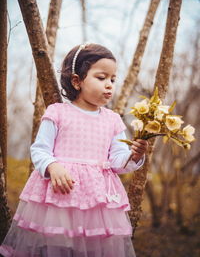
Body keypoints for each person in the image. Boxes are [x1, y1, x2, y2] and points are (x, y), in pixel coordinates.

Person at [0, 43, 148, 257]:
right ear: (77, 81)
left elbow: (117, 161)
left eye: (113, 79)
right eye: (101, 77)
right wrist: (52, 166)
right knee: (57, 246)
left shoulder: (113, 120)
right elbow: (40, 149)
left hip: (98, 203)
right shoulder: (58, 112)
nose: (109, 85)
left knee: (93, 248)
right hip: (60, 198)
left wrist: (134, 155)